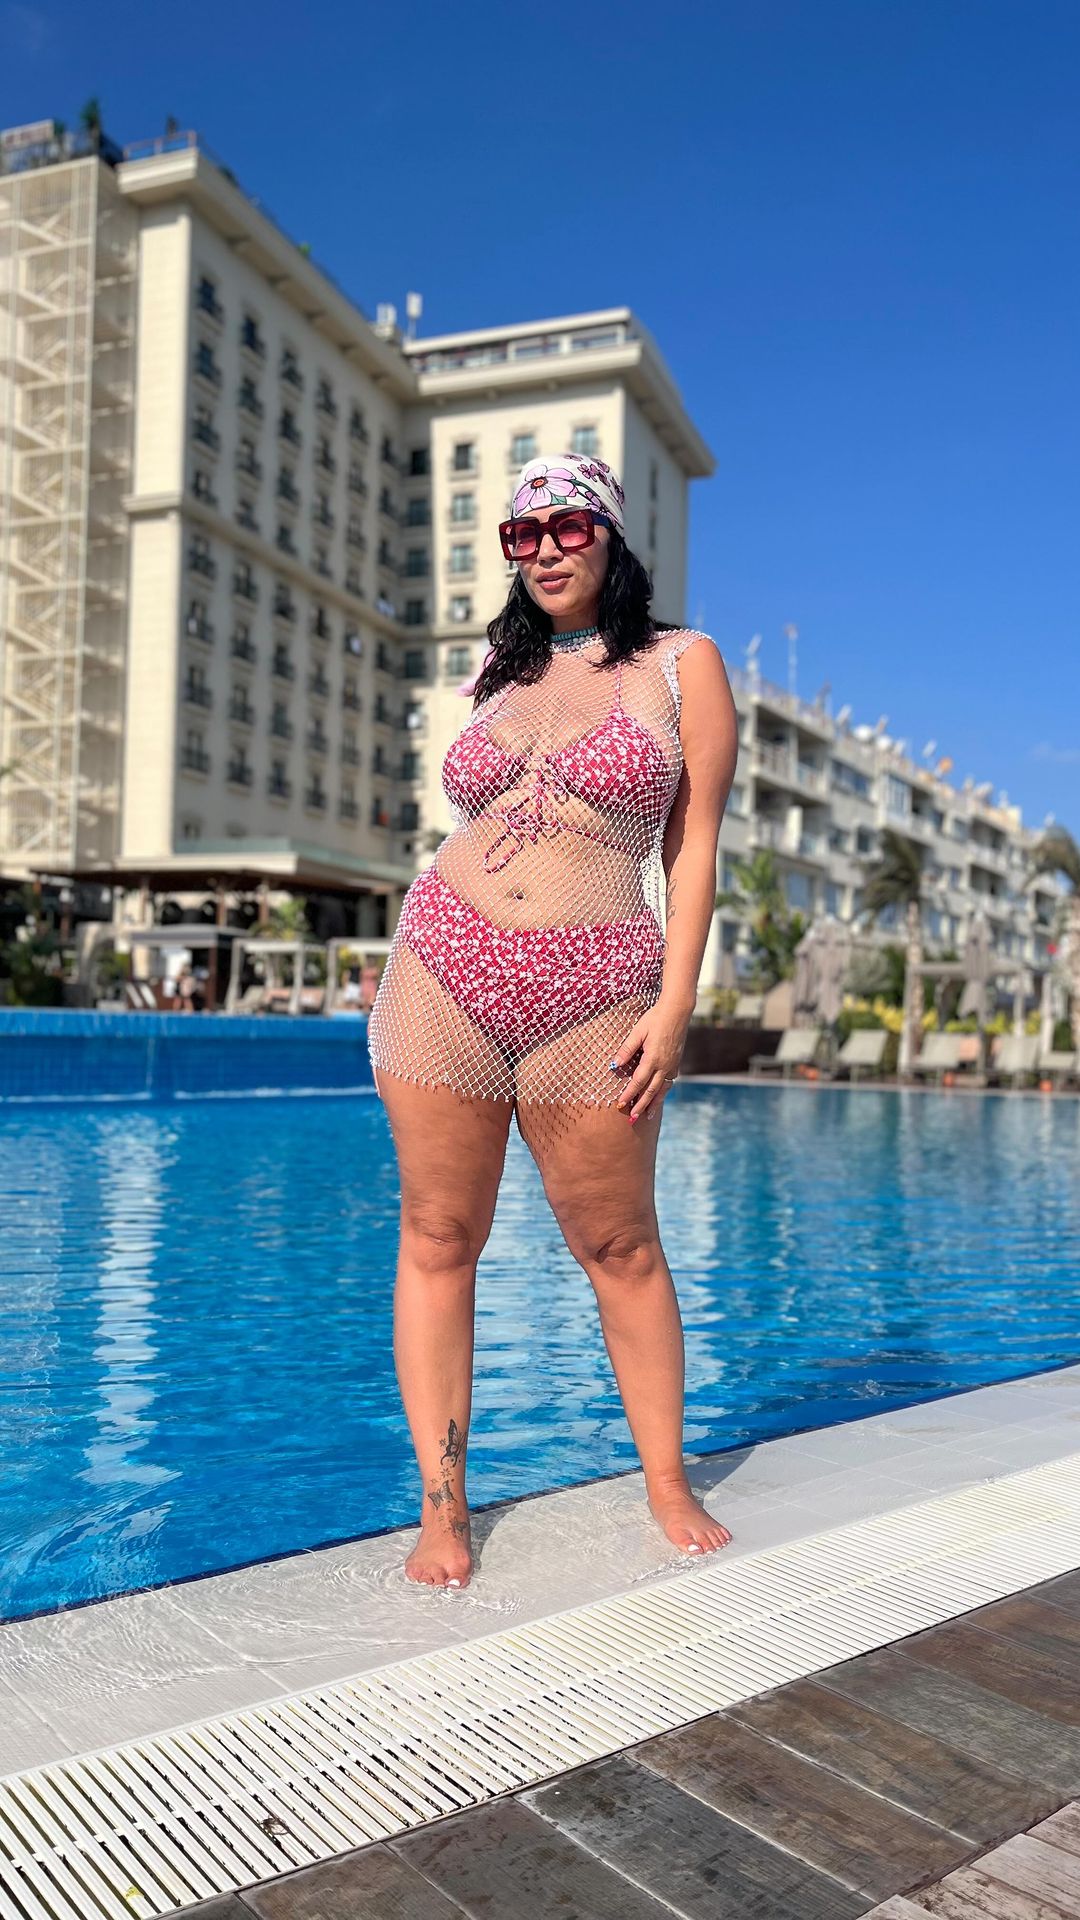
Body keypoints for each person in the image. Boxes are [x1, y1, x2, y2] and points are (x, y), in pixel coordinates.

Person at [367, 453, 740, 1589]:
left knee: (619, 1245)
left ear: (611, 536)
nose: (544, 549)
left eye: (568, 526)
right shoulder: (500, 670)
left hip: (600, 986)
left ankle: (666, 1481)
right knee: (439, 1237)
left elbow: (693, 848)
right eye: (522, 535)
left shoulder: (682, 663)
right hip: (445, 966)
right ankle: (443, 1506)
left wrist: (677, 1003)